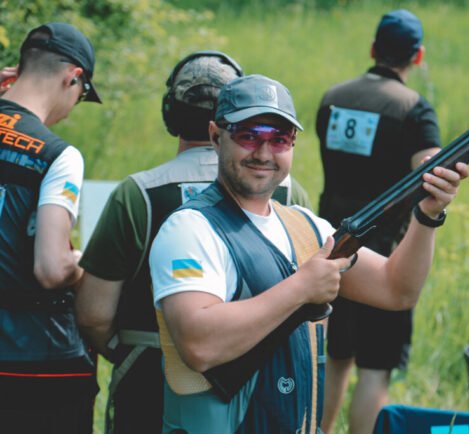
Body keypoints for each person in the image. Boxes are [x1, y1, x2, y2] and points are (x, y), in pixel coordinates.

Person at [149, 73, 468, 434]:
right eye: (248, 135)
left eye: (279, 138)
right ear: (215, 136)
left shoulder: (305, 227)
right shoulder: (190, 228)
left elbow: (397, 290)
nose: (264, 153)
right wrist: (302, 287)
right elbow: (199, 345)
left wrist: (427, 215)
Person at [74, 52, 312, 434]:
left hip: (147, 373)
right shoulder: (285, 191)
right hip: (263, 379)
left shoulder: (138, 193)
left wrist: (130, 353)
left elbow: (93, 314)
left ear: (170, 112)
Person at [315, 9, 442, 434]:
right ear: (418, 56)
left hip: (329, 246)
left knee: (333, 358)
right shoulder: (415, 110)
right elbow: (433, 177)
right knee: (375, 369)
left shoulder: (332, 98)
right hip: (386, 258)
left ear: (373, 49)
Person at [0, 22, 102, 434]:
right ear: (72, 77)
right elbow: (51, 268)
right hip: (32, 361)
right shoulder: (57, 155)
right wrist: (81, 265)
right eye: (82, 93)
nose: (73, 106)